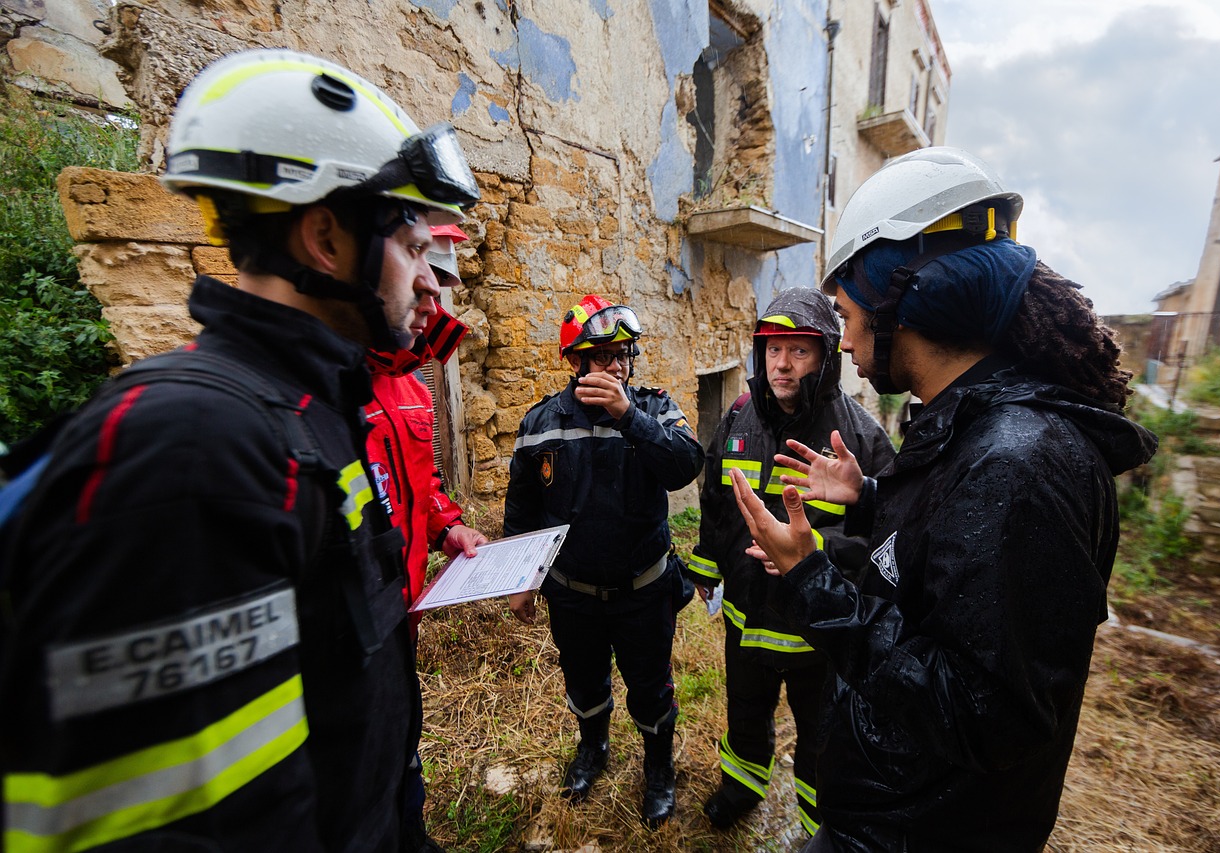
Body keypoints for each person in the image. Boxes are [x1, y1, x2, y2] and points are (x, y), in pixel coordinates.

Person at [0, 49, 479, 851]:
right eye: (408, 241)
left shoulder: (316, 409)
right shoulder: (192, 449)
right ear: (325, 236)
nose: (427, 279)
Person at [728, 147, 1158, 852]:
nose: (847, 338)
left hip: (916, 832)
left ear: (904, 299)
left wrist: (812, 579)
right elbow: (950, 561)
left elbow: (978, 710)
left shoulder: (1017, 465)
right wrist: (868, 498)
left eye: (845, 312)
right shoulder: (978, 424)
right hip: (897, 812)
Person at [688, 287, 894, 837]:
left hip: (819, 630)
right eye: (773, 349)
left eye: (798, 351)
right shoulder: (737, 418)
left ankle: (818, 821)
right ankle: (742, 786)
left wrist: (815, 556)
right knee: (745, 713)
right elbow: (716, 500)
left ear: (826, 357)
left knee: (822, 731)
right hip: (747, 616)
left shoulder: (858, 438)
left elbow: (891, 537)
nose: (782, 364)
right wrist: (707, 569)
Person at [503, 295, 705, 828]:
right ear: (574, 362)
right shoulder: (539, 423)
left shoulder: (655, 409)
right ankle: (593, 747)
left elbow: (685, 466)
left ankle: (658, 768)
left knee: (650, 688)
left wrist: (628, 416)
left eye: (624, 354)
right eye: (602, 355)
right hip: (573, 593)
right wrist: (522, 580)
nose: (617, 365)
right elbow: (522, 509)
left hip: (643, 589)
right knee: (584, 682)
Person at [365, 222, 488, 634]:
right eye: (421, 288)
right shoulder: (324, 391)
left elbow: (418, 485)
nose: (432, 306)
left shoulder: (411, 387)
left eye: (438, 290)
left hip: (404, 614)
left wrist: (447, 528)